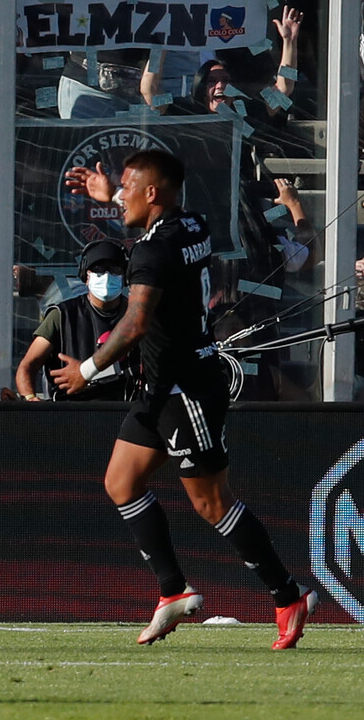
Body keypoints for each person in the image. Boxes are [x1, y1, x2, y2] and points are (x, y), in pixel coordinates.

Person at [55, 150, 317, 649]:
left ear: (152, 194)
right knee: (121, 482)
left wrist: (87, 370)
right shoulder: (191, 223)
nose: (120, 194)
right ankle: (173, 592)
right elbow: (156, 228)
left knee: (211, 501)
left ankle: (289, 595)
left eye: (128, 186)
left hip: (186, 388)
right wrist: (109, 191)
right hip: (162, 383)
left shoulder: (153, 251)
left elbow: (132, 325)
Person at [15, 239, 138, 402]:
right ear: (86, 276)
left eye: (114, 270)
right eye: (99, 269)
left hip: (128, 411)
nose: (107, 276)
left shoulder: (139, 316)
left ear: (124, 276)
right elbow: (27, 366)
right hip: (72, 413)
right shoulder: (62, 315)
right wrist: (30, 398)